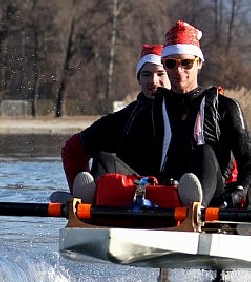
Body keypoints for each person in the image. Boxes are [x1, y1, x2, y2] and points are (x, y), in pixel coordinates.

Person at [153, 20, 251, 233]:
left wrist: (236, 196)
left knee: (203, 151)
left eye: (186, 63)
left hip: (214, 200)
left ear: (199, 63)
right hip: (168, 197)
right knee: (107, 159)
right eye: (171, 64)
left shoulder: (226, 107)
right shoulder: (154, 108)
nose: (179, 71)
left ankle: (236, 216)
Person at [60, 44, 170, 202]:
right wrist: (77, 189)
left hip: (170, 190)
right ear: (138, 79)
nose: (153, 81)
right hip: (131, 189)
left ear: (171, 75)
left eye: (160, 73)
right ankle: (89, 200)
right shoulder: (124, 116)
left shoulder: (187, 111)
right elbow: (72, 149)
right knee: (103, 160)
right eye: (146, 74)